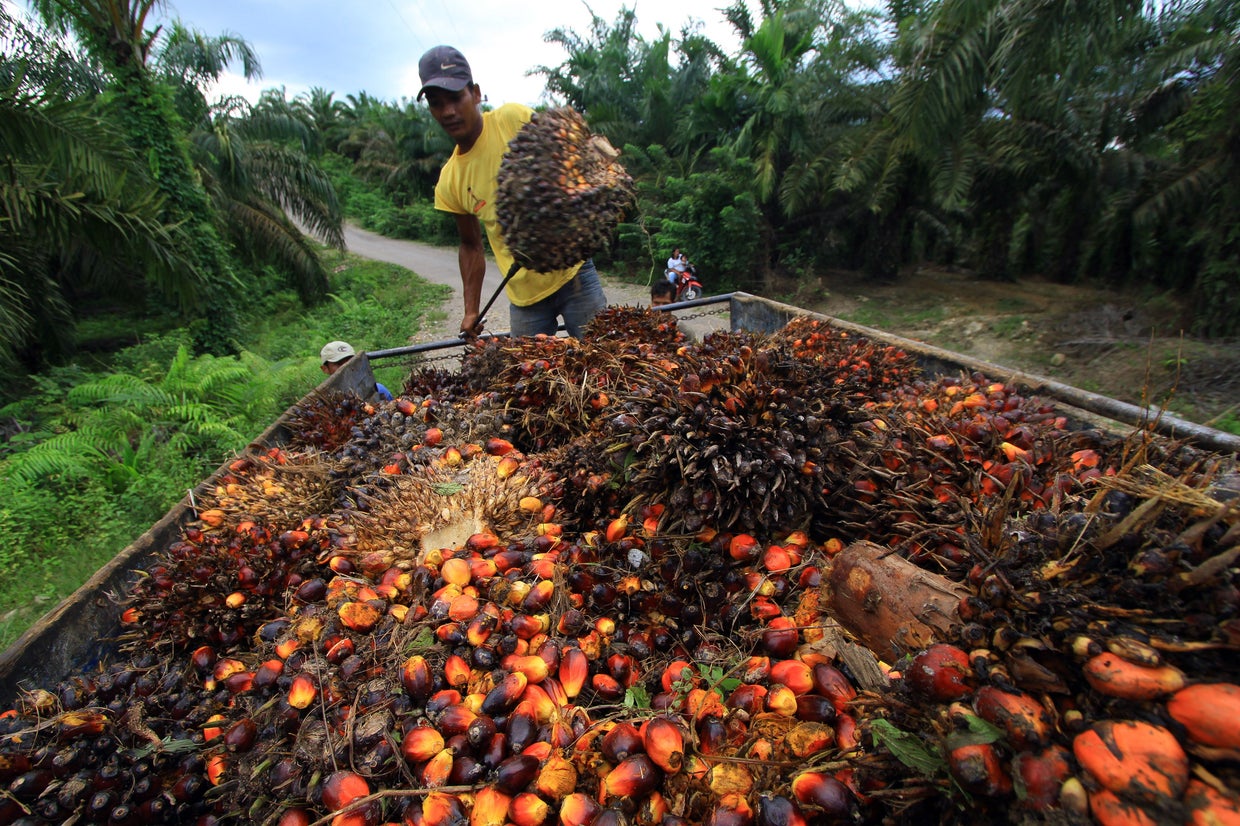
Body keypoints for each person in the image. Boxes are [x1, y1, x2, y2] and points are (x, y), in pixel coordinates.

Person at [418, 45, 608, 340]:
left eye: (456, 98)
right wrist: (471, 310)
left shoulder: (512, 119)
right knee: (531, 380)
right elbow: (470, 245)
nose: (449, 111)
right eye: (437, 103)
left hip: (574, 275)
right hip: (524, 299)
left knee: (605, 359)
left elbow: (565, 151)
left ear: (476, 94)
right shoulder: (450, 180)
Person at [320, 341, 393, 402]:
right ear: (325, 369)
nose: (346, 367)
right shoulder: (325, 404)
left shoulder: (379, 390)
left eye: (350, 361)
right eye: (339, 364)